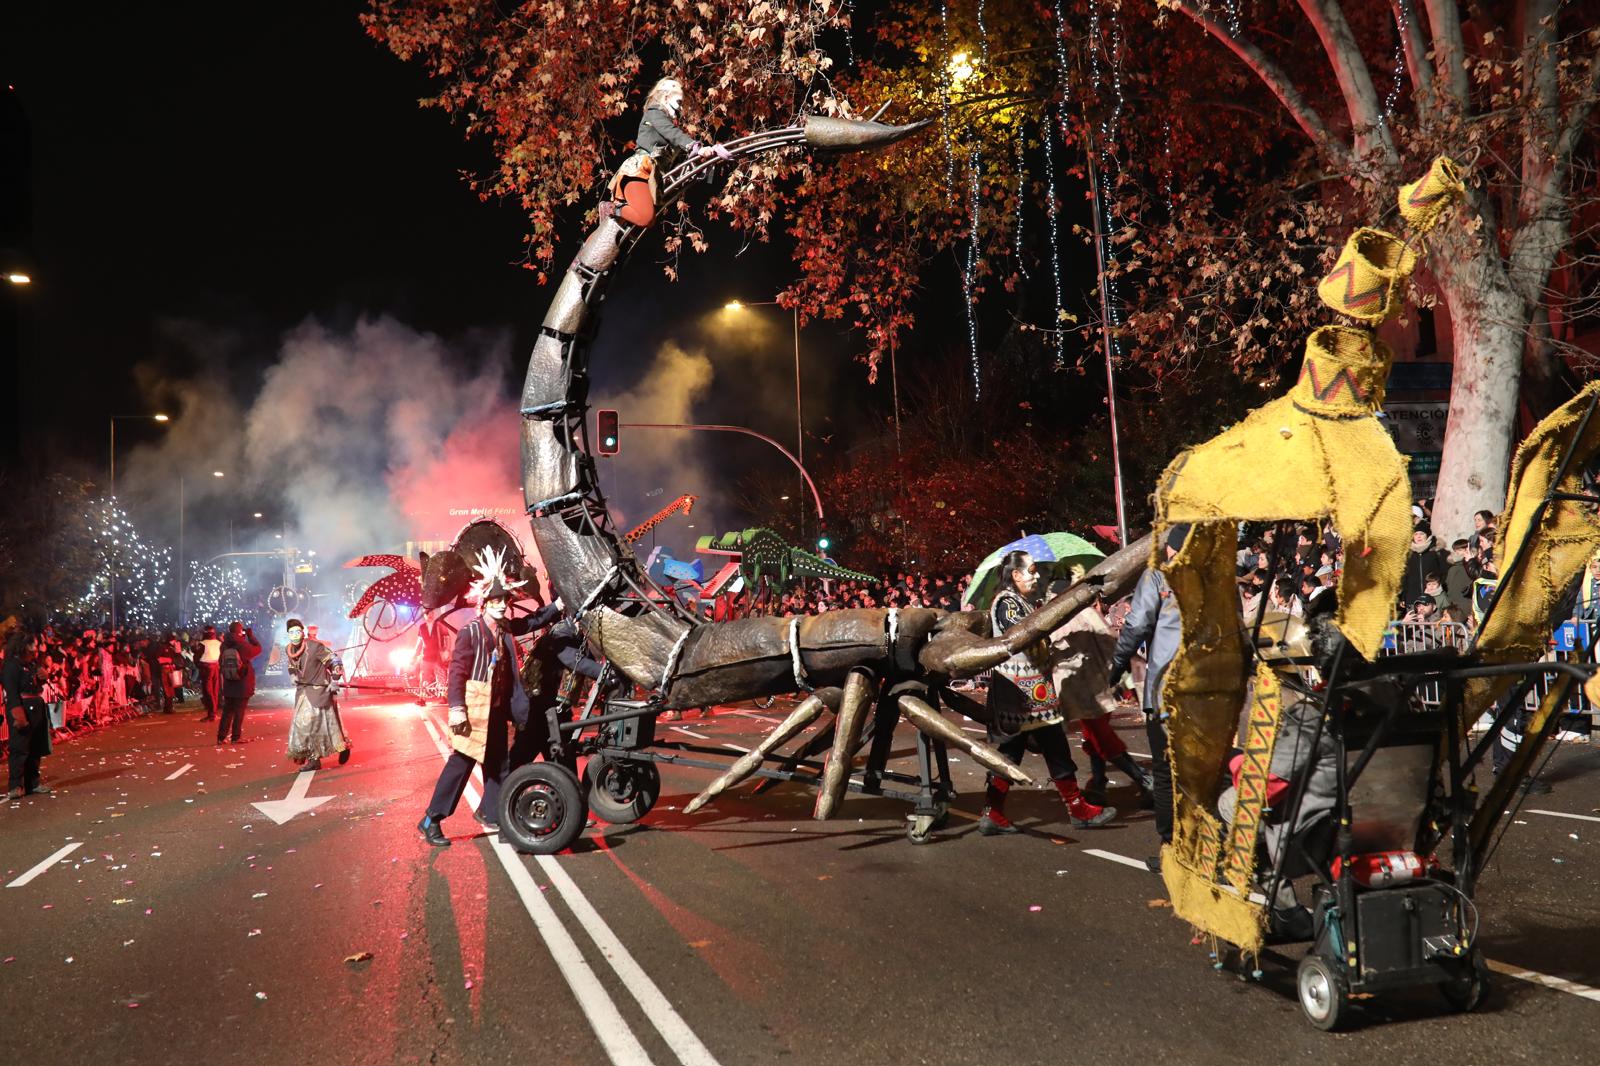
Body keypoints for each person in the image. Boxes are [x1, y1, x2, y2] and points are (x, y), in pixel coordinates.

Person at [418, 548, 562, 847]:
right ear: (483, 604)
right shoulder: (470, 632)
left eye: (503, 601)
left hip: (496, 711)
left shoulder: (505, 627)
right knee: (460, 765)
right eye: (494, 601)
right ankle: (431, 819)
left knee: (500, 766)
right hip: (474, 710)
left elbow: (532, 622)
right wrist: (456, 707)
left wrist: (558, 605)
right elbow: (457, 673)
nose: (500, 606)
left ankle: (493, 813)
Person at [976, 550, 1116, 836]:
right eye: (1031, 570)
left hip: (1028, 692)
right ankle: (1077, 809)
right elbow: (1025, 640)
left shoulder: (1019, 602)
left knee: (1012, 754)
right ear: (1015, 575)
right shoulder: (1007, 603)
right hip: (1025, 693)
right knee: (1054, 749)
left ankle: (993, 812)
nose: (1036, 575)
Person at [1108, 524, 1188, 871]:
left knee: (1167, 771)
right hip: (1213, 691)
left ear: (1170, 547)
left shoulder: (1158, 577)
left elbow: (1136, 624)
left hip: (1171, 689)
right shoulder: (1218, 577)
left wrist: (1116, 666)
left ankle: (1172, 850)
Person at [606, 77, 733, 228]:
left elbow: (682, 159)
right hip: (639, 170)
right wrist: (695, 146)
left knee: (645, 220)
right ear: (666, 97)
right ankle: (611, 208)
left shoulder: (667, 130)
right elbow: (671, 132)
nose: (680, 108)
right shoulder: (654, 113)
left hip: (651, 177)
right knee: (646, 218)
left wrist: (704, 156)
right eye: (679, 102)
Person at [284, 618, 349, 770]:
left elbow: (335, 661)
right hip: (302, 693)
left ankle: (317, 758)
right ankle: (315, 757)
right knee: (304, 726)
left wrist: (334, 680)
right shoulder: (289, 649)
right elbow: (291, 665)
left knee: (315, 726)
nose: (294, 635)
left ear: (303, 632)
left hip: (319, 692)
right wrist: (292, 674)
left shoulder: (315, 647)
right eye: (291, 632)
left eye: (297, 632)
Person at [4, 629, 51, 798]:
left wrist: (43, 677)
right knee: (19, 749)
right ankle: (15, 785)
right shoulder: (11, 665)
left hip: (36, 707)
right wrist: (18, 713)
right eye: (32, 644)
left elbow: (37, 687)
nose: (35, 648)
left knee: (35, 749)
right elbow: (12, 691)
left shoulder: (31, 664)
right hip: (22, 708)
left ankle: (33, 783)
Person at [217, 621, 263, 745]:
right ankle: (236, 737)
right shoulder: (243, 645)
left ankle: (221, 737)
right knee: (239, 711)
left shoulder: (224, 645)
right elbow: (258, 649)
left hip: (228, 681)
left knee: (227, 711)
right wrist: (250, 636)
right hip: (242, 682)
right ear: (240, 631)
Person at [194, 625, 223, 720]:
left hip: (206, 668)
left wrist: (199, 664)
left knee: (208, 691)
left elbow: (197, 655)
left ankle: (211, 713)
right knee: (215, 690)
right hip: (216, 667)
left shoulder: (203, 643)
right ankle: (213, 710)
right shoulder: (219, 643)